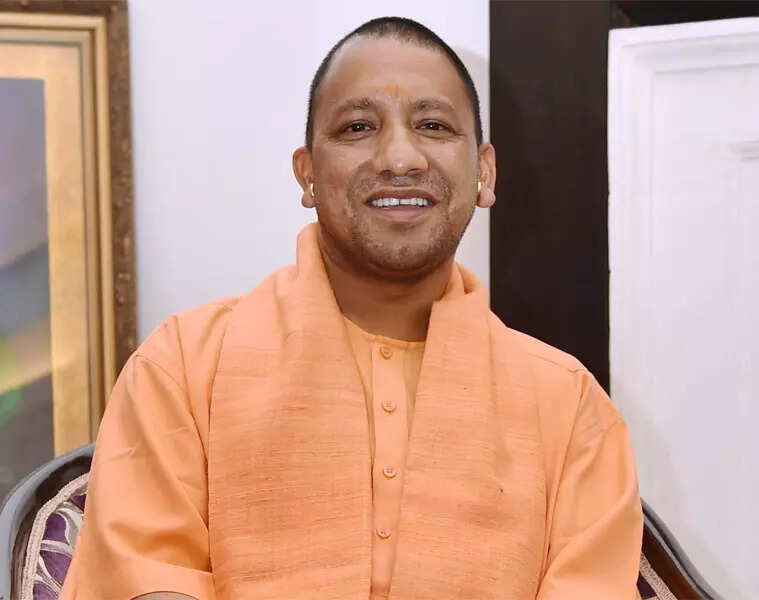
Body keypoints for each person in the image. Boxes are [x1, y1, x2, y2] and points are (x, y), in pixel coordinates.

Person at [59, 16, 643, 600]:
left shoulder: (568, 408)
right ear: (308, 174)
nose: (400, 158)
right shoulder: (184, 368)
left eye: (434, 125)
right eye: (358, 127)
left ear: (483, 173)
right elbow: (147, 580)